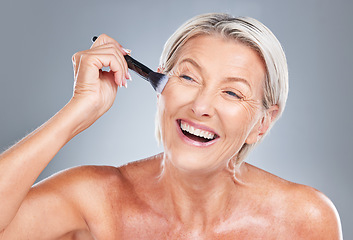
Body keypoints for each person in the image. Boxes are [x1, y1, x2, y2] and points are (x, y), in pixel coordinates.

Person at [0, 13, 342, 239]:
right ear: (160, 86)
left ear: (262, 124)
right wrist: (78, 110)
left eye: (232, 92)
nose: (201, 106)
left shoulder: (305, 220)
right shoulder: (95, 199)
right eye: (188, 77)